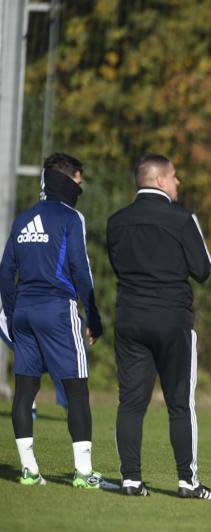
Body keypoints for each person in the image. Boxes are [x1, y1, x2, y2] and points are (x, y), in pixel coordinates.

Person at [107, 154, 211, 499]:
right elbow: (203, 269)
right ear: (158, 180)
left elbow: (117, 265)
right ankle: (188, 481)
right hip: (171, 320)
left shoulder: (116, 221)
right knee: (180, 404)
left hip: (129, 317)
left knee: (130, 403)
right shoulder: (183, 219)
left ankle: (130, 479)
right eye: (174, 176)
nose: (178, 182)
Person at [0, 153, 106, 488]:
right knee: (77, 390)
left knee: (25, 390)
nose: (81, 184)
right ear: (67, 178)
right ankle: (84, 473)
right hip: (57, 308)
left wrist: (14, 312)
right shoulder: (71, 218)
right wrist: (94, 315)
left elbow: (5, 273)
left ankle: (29, 470)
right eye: (78, 178)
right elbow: (80, 269)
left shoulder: (23, 219)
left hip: (24, 311)